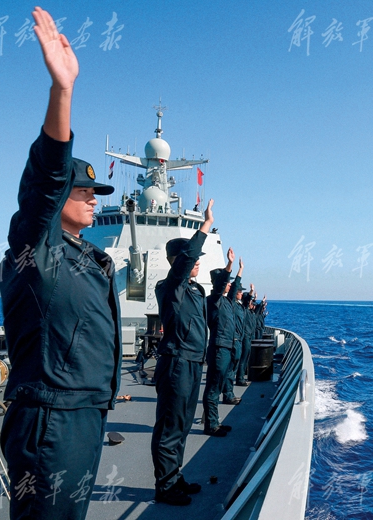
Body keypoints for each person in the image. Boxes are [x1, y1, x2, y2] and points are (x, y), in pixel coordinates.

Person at [0, 8, 121, 519]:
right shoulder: (35, 249)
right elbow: (45, 180)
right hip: (51, 420)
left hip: (86, 414)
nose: (92, 199)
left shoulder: (90, 259)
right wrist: (62, 91)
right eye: (83, 190)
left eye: (96, 192)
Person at [151, 199, 215, 506]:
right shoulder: (171, 287)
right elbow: (184, 265)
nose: (197, 262)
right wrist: (205, 226)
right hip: (176, 363)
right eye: (192, 259)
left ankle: (175, 477)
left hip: (192, 363)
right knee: (170, 427)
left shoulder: (194, 289)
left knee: (183, 425)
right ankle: (165, 487)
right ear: (177, 262)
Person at [202, 249, 243, 437]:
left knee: (218, 386)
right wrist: (230, 264)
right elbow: (220, 286)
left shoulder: (227, 302)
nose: (229, 285)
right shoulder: (214, 300)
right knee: (213, 387)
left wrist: (240, 271)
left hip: (227, 348)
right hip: (219, 349)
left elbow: (234, 289)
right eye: (227, 282)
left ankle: (215, 421)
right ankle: (211, 425)